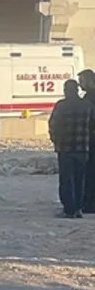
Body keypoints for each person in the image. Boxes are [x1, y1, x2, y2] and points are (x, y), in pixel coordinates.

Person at [47, 79, 95, 218]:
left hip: (65, 147)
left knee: (67, 180)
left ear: (65, 90)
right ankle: (78, 208)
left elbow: (53, 124)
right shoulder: (87, 105)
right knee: (81, 179)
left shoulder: (61, 106)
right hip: (83, 148)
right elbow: (92, 124)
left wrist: (55, 140)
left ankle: (69, 209)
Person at [80, 69, 95, 214]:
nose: (80, 85)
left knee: (90, 172)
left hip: (91, 140)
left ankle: (89, 203)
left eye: (82, 82)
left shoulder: (90, 99)